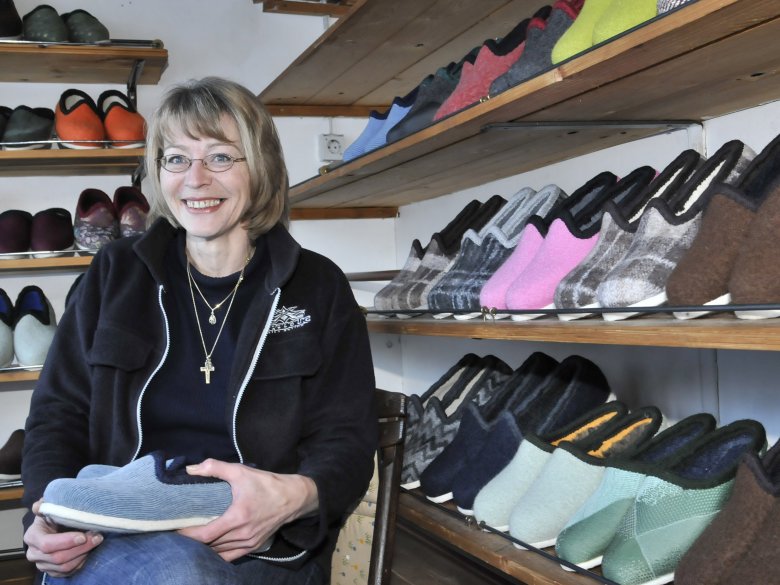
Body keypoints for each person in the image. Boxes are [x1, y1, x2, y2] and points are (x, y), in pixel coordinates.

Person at [21, 76, 378, 585]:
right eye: (176, 159)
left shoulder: (316, 286)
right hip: (117, 531)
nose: (195, 179)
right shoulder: (114, 274)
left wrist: (293, 497)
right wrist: (43, 516)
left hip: (256, 544)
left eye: (220, 157)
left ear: (260, 168)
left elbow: (346, 437)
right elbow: (58, 414)